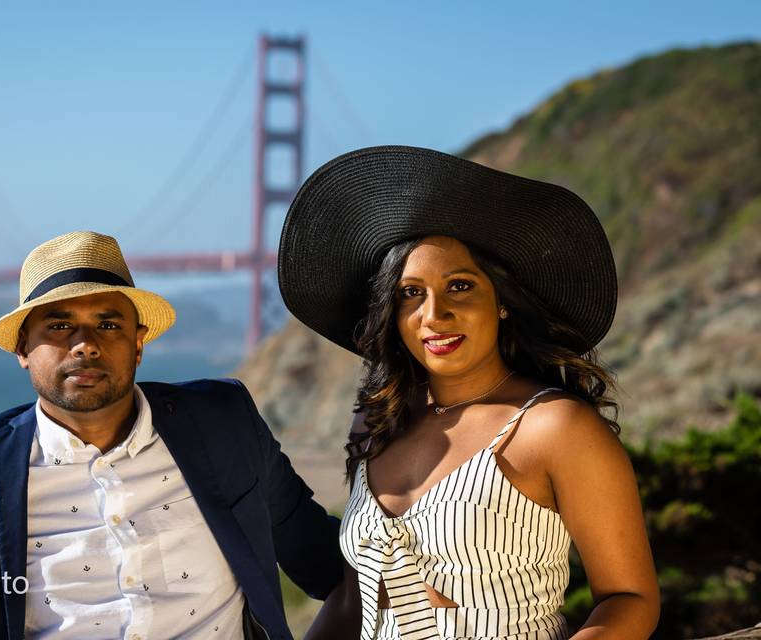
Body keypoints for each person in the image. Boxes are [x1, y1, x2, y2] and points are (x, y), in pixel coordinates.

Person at [0, 230, 343, 640]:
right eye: (59, 325)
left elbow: (330, 563)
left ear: (138, 341)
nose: (86, 344)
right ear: (22, 347)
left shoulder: (225, 423)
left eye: (108, 323)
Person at [278, 147, 660, 639]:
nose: (434, 315)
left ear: (501, 302)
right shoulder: (378, 421)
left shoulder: (553, 427)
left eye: (459, 286)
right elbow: (353, 599)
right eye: (410, 293)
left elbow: (630, 598)